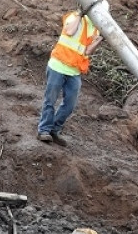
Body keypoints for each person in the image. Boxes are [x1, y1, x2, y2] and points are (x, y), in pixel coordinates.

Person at [37, 11, 102, 144]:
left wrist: (101, 38)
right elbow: (70, 31)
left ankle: (55, 130)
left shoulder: (96, 28)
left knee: (70, 105)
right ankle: (43, 130)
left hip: (74, 71)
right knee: (50, 100)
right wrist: (80, 14)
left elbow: (88, 51)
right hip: (57, 65)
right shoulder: (75, 17)